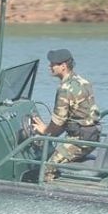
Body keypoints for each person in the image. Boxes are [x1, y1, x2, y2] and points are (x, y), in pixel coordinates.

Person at [31, 48, 101, 181]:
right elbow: (72, 117)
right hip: (92, 137)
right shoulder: (83, 81)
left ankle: (47, 195)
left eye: (53, 64)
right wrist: (50, 131)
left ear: (63, 66)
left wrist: (44, 130)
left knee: (46, 168)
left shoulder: (65, 89)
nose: (50, 66)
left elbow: (58, 121)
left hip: (80, 141)